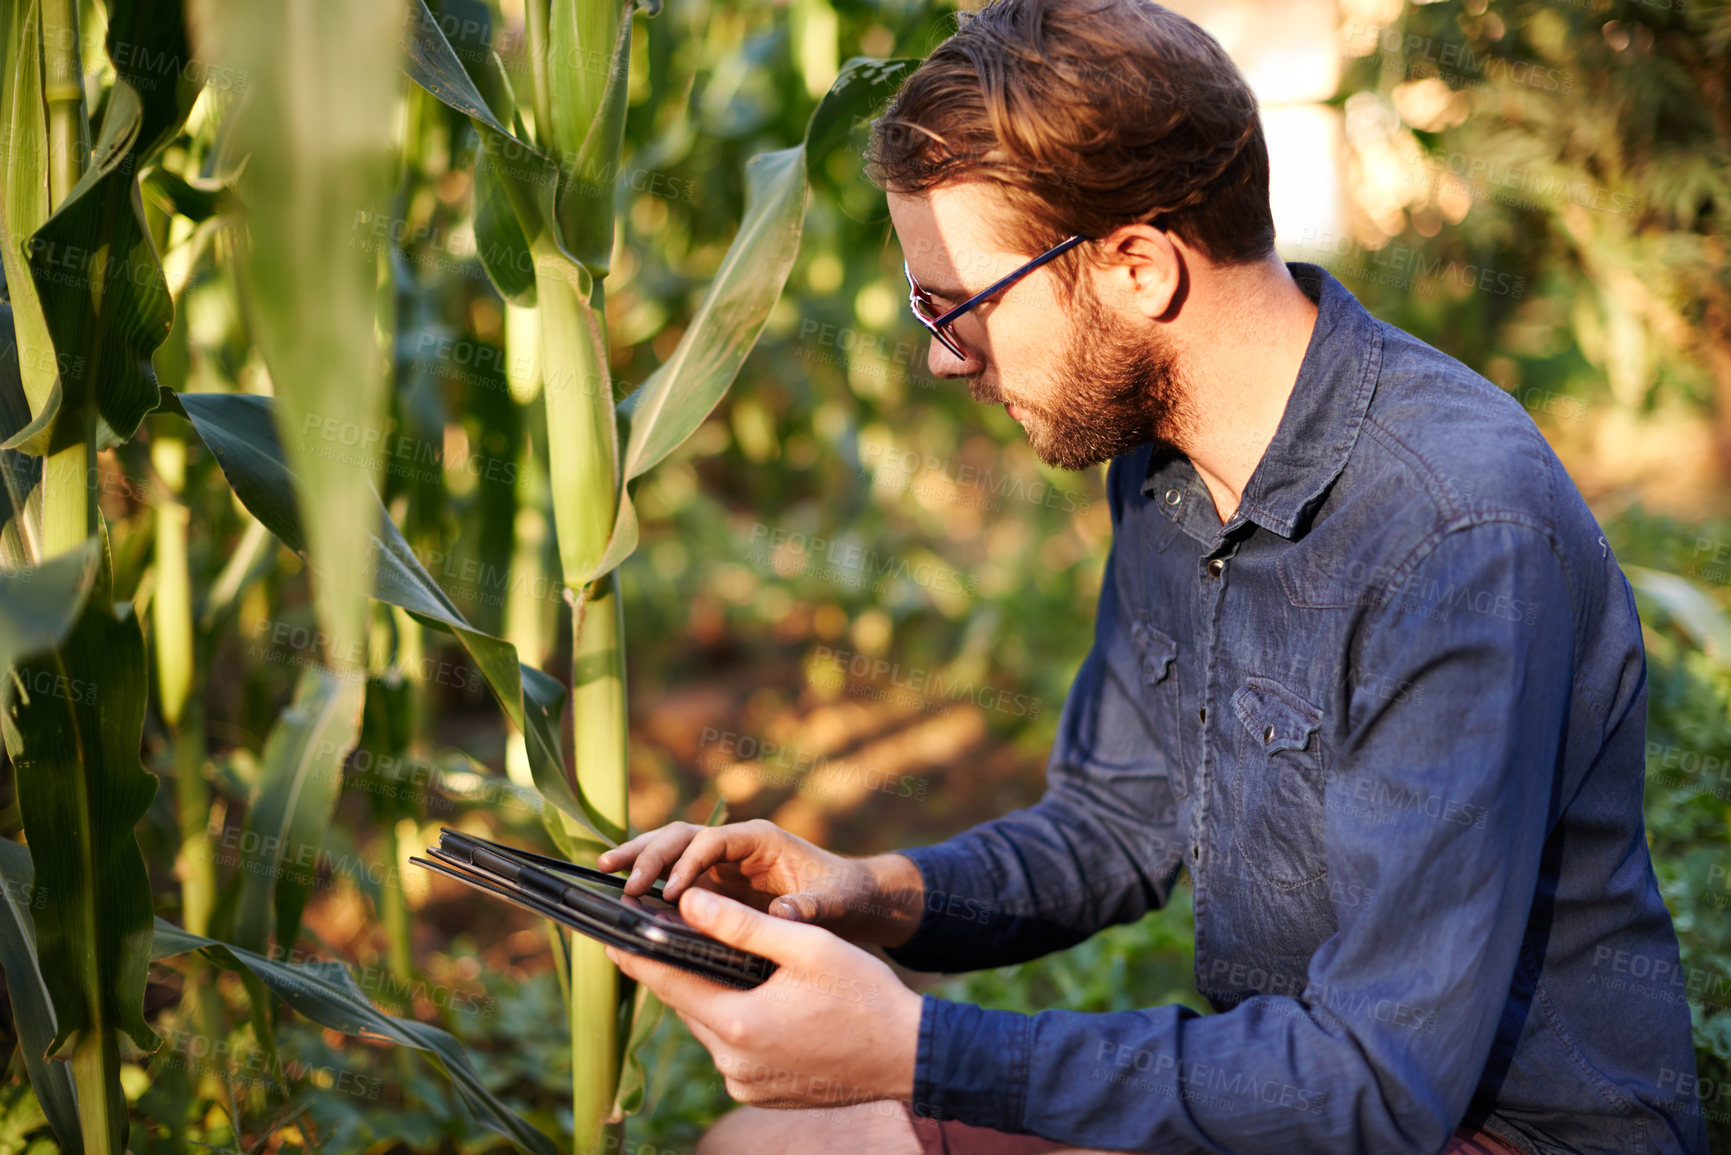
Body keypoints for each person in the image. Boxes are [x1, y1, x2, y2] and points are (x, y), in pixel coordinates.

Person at [597, 0, 1708, 1151]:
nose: (940, 358)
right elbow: (1119, 818)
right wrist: (869, 891)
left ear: (1136, 266)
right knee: (767, 1147)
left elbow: (1380, 1086)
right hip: (1301, 1089)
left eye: (959, 305)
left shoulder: (1456, 535)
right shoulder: (1166, 469)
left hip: (1494, 1128)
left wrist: (915, 1051)